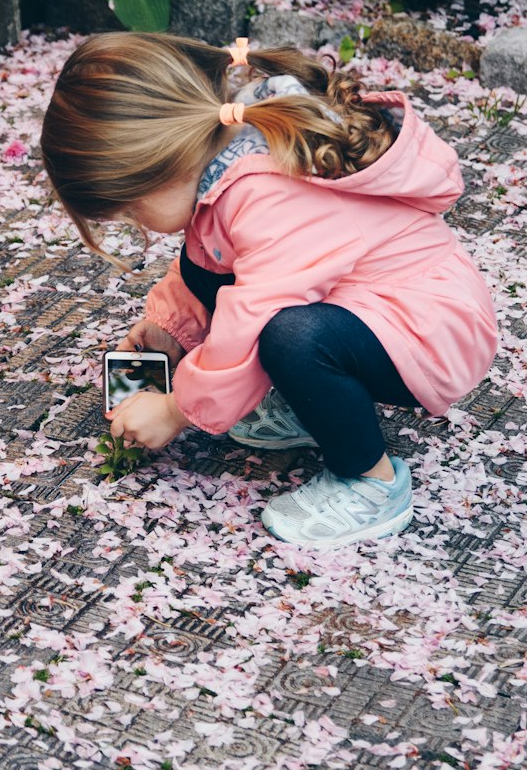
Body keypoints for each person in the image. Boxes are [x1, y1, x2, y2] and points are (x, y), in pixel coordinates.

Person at [37, 31, 499, 550]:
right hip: (382, 312)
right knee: (267, 313)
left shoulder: (264, 189)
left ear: (164, 164)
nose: (134, 223)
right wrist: (169, 330)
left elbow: (254, 313)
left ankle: (373, 483)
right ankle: (314, 408)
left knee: (289, 336)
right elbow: (205, 264)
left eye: (129, 208)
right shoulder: (222, 158)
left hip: (431, 330)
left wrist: (176, 410)